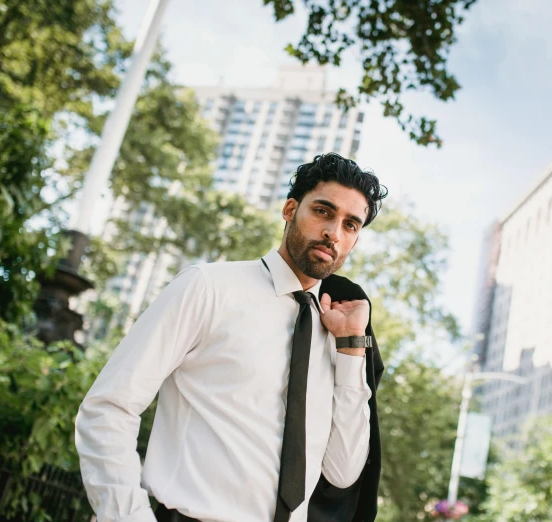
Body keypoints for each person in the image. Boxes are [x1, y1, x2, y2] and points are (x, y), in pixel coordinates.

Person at [75, 153, 388, 522]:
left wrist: (352, 347)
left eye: (351, 225)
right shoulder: (208, 287)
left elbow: (342, 471)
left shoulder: (336, 331)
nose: (334, 232)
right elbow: (109, 408)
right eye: (323, 211)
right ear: (290, 209)